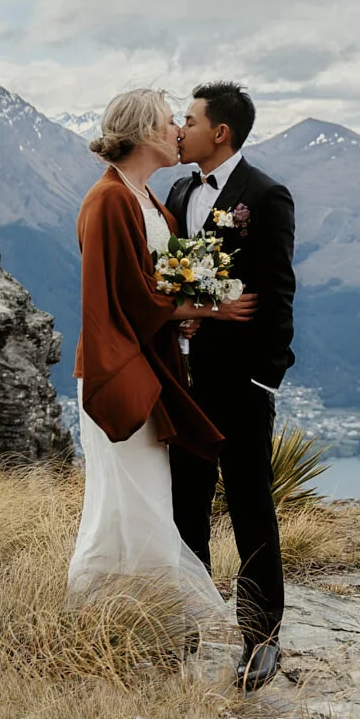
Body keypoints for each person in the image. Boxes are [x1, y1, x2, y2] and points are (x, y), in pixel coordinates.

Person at [66, 88, 258, 626]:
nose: (179, 130)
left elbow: (148, 286)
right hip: (118, 370)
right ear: (148, 132)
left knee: (141, 501)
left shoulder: (147, 198)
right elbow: (122, 294)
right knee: (127, 504)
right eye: (172, 121)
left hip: (147, 367)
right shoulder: (108, 199)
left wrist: (185, 310)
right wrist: (206, 308)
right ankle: (136, 620)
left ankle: (134, 620)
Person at [165, 81, 297, 693]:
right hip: (184, 378)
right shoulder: (179, 190)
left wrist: (263, 378)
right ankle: (187, 628)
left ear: (220, 132)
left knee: (249, 505)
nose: (178, 129)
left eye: (187, 120)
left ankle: (261, 638)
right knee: (185, 506)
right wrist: (186, 316)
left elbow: (276, 293)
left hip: (240, 381)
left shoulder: (265, 196)